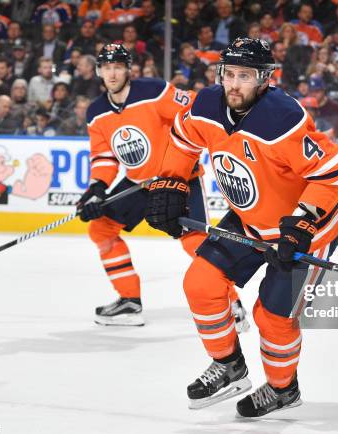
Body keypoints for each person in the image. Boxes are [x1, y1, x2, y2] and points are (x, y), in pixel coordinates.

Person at [144, 38, 338, 417]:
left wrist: (304, 220)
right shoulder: (206, 104)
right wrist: (172, 180)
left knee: (272, 318)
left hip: (305, 232)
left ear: (265, 79)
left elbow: (332, 172)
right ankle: (228, 365)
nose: (234, 84)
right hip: (248, 219)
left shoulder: (282, 118)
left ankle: (282, 388)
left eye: (245, 76)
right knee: (200, 284)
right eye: (229, 74)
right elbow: (182, 137)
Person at [81, 43, 247, 329]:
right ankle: (129, 302)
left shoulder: (154, 91)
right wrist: (97, 187)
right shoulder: (96, 112)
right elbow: (105, 155)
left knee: (195, 241)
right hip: (138, 183)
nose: (112, 73)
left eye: (118, 66)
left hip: (178, 179)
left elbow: (198, 109)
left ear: (128, 69)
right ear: (99, 71)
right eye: (107, 67)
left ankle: (231, 303)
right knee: (101, 227)